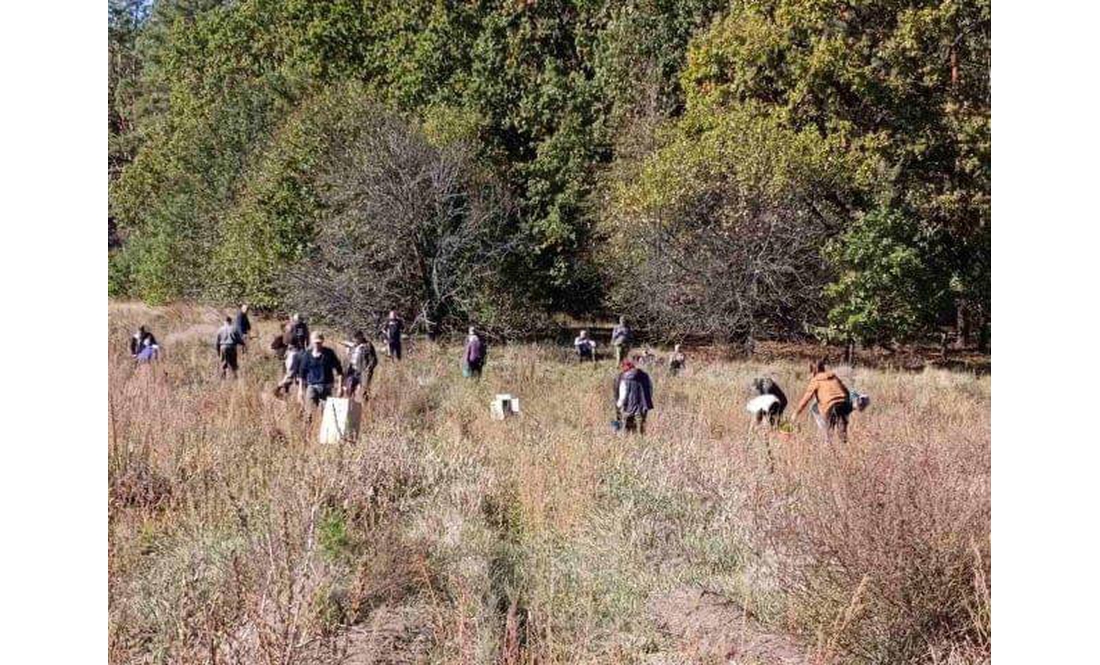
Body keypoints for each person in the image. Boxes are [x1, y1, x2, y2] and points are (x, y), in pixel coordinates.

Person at [793, 360, 852, 443]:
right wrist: (847, 402)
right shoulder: (834, 376)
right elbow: (847, 391)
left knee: (828, 432)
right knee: (842, 431)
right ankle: (845, 446)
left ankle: (827, 443)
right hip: (844, 404)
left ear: (813, 371)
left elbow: (806, 399)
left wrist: (796, 413)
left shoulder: (815, 380)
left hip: (830, 406)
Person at [297, 331, 344, 408]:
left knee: (327, 412)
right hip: (312, 386)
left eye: (319, 343)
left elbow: (339, 371)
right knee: (309, 412)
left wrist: (340, 387)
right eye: (315, 343)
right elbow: (302, 374)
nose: (317, 345)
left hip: (326, 387)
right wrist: (300, 391)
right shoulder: (307, 355)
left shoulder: (329, 353)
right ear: (312, 342)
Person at [614, 360, 654, 434]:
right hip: (643, 407)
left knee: (628, 428)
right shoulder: (645, 376)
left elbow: (623, 395)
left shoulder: (624, 378)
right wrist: (647, 400)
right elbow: (650, 389)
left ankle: (631, 441)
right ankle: (641, 441)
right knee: (641, 427)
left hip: (629, 407)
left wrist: (618, 405)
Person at [340, 331, 377, 401]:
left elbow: (374, 360)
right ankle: (351, 404)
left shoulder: (368, 346)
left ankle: (364, 406)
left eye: (356, 338)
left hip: (363, 371)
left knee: (363, 391)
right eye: (354, 339)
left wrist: (368, 368)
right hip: (352, 370)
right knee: (349, 388)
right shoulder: (353, 346)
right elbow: (349, 357)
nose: (355, 340)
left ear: (361, 337)